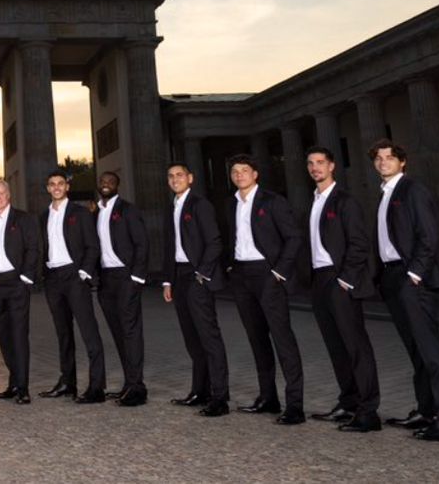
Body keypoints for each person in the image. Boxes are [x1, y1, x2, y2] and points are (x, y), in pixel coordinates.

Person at [370, 139, 439, 441]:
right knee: (416, 350)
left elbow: (429, 236)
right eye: (379, 158)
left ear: (402, 162)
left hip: (410, 278)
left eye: (389, 158)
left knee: (431, 350)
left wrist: (414, 274)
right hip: (392, 277)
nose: (383, 162)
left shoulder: (412, 189)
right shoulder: (385, 193)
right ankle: (427, 410)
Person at [298, 146, 381, 433]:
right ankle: (348, 402)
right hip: (319, 280)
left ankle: (368, 412)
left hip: (339, 280)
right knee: (336, 346)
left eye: (320, 162)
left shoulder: (345, 201)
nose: (315, 168)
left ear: (332, 166)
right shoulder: (314, 201)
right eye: (310, 163)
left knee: (355, 346)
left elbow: (359, 243)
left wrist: (345, 279)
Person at [223, 154, 305, 425]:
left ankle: (295, 405)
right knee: (257, 339)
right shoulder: (231, 204)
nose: (239, 175)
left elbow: (293, 237)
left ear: (255, 174)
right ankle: (268, 397)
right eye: (235, 171)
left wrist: (279, 271)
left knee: (282, 339)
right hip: (242, 276)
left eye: (244, 170)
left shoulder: (272, 201)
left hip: (268, 274)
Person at [161, 163, 229, 417]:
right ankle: (200, 391)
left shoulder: (200, 205)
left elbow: (214, 242)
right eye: (171, 176)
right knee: (192, 338)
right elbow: (170, 247)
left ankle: (220, 397)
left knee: (209, 337)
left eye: (180, 175)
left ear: (191, 178)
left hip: (197, 275)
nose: (175, 179)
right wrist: (168, 280)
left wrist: (202, 273)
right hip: (178, 277)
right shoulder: (172, 207)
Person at [38, 170, 106, 405]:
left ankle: (97, 387)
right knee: (63, 333)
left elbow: (93, 246)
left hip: (74, 276)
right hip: (53, 279)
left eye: (60, 183)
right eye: (52, 184)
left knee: (89, 332)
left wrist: (83, 273)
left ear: (67, 187)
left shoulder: (80, 213)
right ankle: (68, 383)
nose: (56, 187)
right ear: (48, 188)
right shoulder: (43, 216)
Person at [0, 179, 39, 405]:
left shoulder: (23, 219)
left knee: (19, 335)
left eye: (1, 193)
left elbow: (33, 248)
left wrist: (25, 278)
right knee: (4, 337)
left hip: (16, 282)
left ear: (9, 194)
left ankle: (23, 388)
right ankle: (13, 383)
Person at [94, 171, 149, 407]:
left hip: (126, 277)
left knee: (130, 331)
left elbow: (142, 243)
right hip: (106, 279)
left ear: (118, 185)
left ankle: (138, 388)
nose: (106, 184)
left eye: (111, 181)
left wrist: (137, 277)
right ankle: (129, 383)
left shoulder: (129, 210)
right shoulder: (96, 212)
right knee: (117, 332)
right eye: (103, 181)